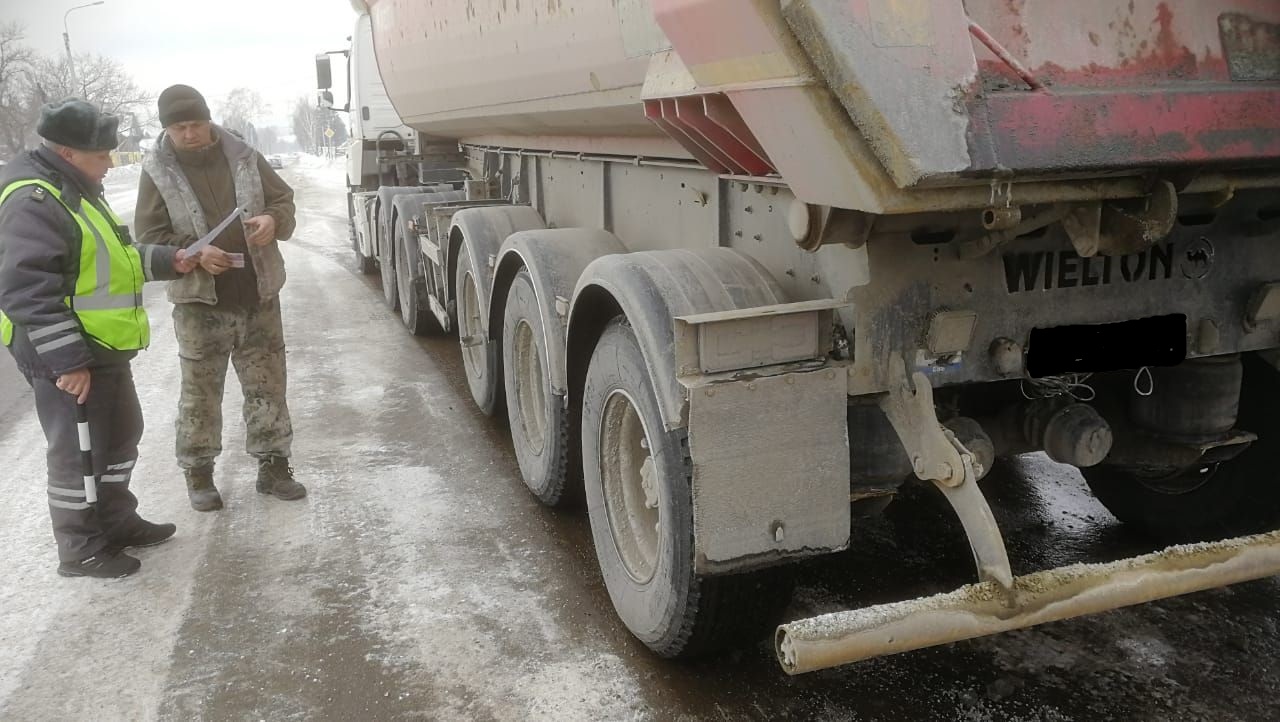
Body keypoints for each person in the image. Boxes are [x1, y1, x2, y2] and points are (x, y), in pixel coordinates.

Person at [0, 98, 198, 578]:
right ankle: (81, 547)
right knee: (78, 453)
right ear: (68, 152)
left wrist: (172, 260)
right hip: (68, 353)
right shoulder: (35, 199)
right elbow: (26, 289)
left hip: (101, 347)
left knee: (120, 437)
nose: (110, 163)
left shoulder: (77, 188)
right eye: (102, 155)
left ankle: (115, 521)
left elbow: (114, 260)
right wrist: (67, 362)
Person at [134, 84, 306, 511]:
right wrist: (193, 253)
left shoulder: (245, 157)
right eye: (179, 128)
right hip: (199, 304)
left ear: (208, 121)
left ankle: (273, 466)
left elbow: (283, 198)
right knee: (200, 394)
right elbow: (149, 237)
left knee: (268, 386)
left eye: (195, 124)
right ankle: (199, 474)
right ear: (167, 129)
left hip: (258, 293)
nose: (189, 134)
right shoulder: (156, 171)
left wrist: (272, 218)